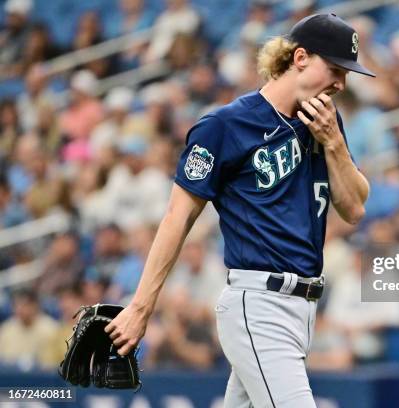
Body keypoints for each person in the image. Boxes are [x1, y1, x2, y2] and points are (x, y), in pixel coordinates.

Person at [105, 13, 372, 407]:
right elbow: (177, 217)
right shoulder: (225, 126)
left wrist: (333, 143)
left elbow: (353, 209)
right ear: (300, 58)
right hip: (259, 303)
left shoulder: (325, 122)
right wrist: (141, 307)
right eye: (334, 69)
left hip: (302, 307)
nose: (341, 83)